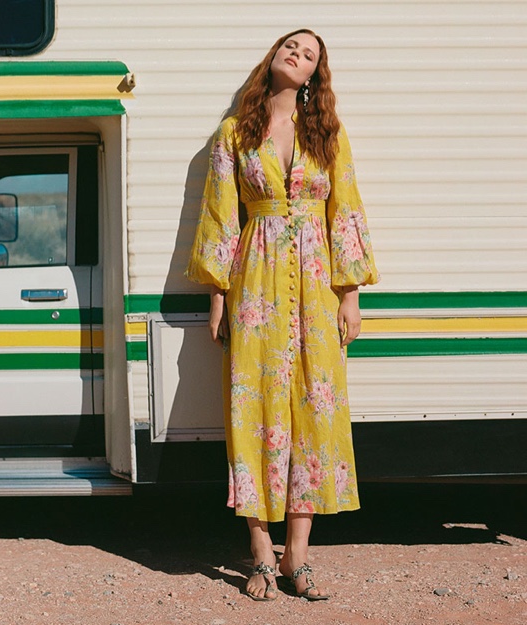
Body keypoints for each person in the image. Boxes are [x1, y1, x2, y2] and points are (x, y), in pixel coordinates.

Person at [185, 28, 380, 602]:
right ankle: (261, 553)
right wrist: (217, 297)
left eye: (310, 54)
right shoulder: (233, 134)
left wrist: (352, 292)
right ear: (272, 58)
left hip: (318, 288)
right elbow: (220, 215)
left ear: (318, 73)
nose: (298, 56)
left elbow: (345, 209)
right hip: (256, 288)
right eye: (290, 48)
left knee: (314, 412)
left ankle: (299, 555)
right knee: (255, 409)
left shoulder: (328, 134)